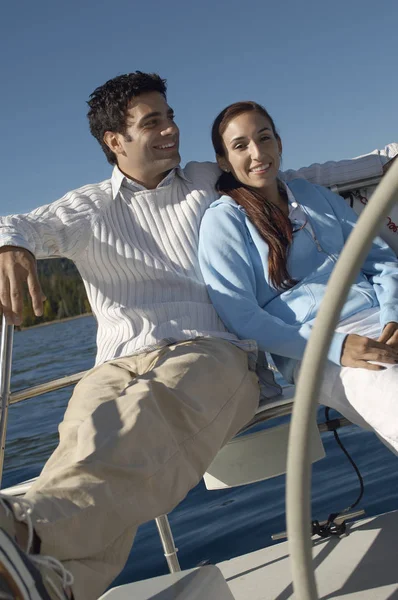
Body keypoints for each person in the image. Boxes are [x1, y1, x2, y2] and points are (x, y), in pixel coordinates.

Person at [0, 74, 391, 600]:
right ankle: (43, 584)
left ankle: (23, 528)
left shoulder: (207, 178)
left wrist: (386, 159)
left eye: (170, 115)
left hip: (208, 350)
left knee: (147, 420)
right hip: (114, 365)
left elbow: (294, 176)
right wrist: (9, 245)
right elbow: (18, 222)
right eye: (152, 122)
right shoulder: (86, 209)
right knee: (81, 451)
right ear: (115, 141)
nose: (171, 130)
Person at [198, 100, 398, 462]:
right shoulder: (224, 221)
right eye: (241, 145)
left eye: (264, 138)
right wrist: (334, 347)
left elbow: (381, 261)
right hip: (314, 349)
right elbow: (242, 318)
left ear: (279, 143)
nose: (258, 153)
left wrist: (393, 315)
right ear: (224, 161)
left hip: (381, 320)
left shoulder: (312, 195)